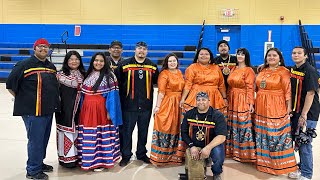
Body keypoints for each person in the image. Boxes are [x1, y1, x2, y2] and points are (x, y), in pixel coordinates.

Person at [6, 38, 60, 180]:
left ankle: (39, 163)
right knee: (35, 140)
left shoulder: (50, 66)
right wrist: (25, 100)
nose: (43, 49)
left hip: (47, 110)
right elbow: (10, 85)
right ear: (34, 48)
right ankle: (33, 171)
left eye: (46, 47)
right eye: (40, 46)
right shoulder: (24, 64)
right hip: (32, 111)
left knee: (43, 139)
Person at [115, 41, 159, 167]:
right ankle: (126, 155)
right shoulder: (124, 65)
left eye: (144, 49)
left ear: (147, 51)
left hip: (146, 106)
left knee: (143, 131)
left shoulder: (152, 66)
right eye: (139, 48)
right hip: (128, 106)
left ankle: (141, 153)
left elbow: (158, 83)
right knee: (126, 132)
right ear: (135, 50)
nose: (141, 51)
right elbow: (117, 83)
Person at [255, 48, 297, 175]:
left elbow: (288, 90)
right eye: (269, 56)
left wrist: (288, 107)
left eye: (274, 55)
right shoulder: (262, 70)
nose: (271, 57)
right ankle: (264, 163)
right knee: (263, 134)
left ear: (280, 58)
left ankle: (279, 165)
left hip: (276, 105)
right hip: (261, 105)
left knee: (276, 134)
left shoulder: (284, 72)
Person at [77, 52, 122, 171]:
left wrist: (110, 112)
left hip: (101, 110)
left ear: (105, 62)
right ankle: (88, 160)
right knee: (89, 134)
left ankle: (102, 161)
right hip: (87, 110)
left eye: (101, 61)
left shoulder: (110, 76)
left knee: (100, 135)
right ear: (92, 61)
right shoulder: (88, 75)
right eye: (96, 60)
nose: (98, 63)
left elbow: (113, 97)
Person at [288, 46, 319, 180]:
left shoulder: (310, 71)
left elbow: (311, 93)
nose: (296, 55)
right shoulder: (294, 69)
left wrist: (304, 114)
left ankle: (307, 174)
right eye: (294, 53)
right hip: (297, 111)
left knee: (305, 142)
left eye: (299, 53)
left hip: (308, 113)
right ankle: (301, 168)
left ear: (305, 56)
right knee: (298, 142)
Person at [180, 92, 227, 180]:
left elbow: (222, 136)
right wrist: (192, 146)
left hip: (212, 145)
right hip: (195, 144)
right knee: (194, 168)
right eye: (198, 100)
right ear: (196, 102)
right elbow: (184, 132)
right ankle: (203, 163)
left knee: (218, 154)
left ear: (209, 101)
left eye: (204, 100)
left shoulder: (217, 115)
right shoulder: (189, 114)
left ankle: (217, 173)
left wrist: (208, 147)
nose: (201, 102)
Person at [150, 53, 185, 166]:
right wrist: (158, 107)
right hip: (168, 102)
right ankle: (162, 156)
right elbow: (161, 92)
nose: (172, 63)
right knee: (167, 126)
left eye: (174, 61)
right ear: (166, 63)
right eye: (170, 61)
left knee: (177, 127)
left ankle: (176, 155)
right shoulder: (164, 74)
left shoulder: (179, 72)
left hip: (179, 102)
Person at [55, 50, 85, 168]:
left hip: (80, 111)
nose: (74, 61)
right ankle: (66, 160)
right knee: (66, 133)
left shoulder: (84, 75)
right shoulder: (60, 76)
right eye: (71, 59)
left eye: (76, 59)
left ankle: (79, 158)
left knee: (79, 133)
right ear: (67, 61)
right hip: (65, 111)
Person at [225, 48, 256, 162]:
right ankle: (232, 151)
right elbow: (229, 86)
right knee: (232, 125)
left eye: (242, 54)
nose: (240, 56)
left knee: (243, 124)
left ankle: (244, 153)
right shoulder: (234, 68)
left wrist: (250, 103)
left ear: (246, 57)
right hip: (232, 99)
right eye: (238, 54)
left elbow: (250, 88)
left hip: (242, 99)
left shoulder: (249, 70)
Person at [179, 47, 227, 114]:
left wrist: (224, 98)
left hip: (214, 97)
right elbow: (188, 84)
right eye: (201, 54)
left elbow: (221, 84)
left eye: (206, 54)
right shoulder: (192, 67)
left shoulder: (216, 68)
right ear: (197, 56)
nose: (204, 56)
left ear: (210, 56)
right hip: (196, 96)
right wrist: (183, 98)